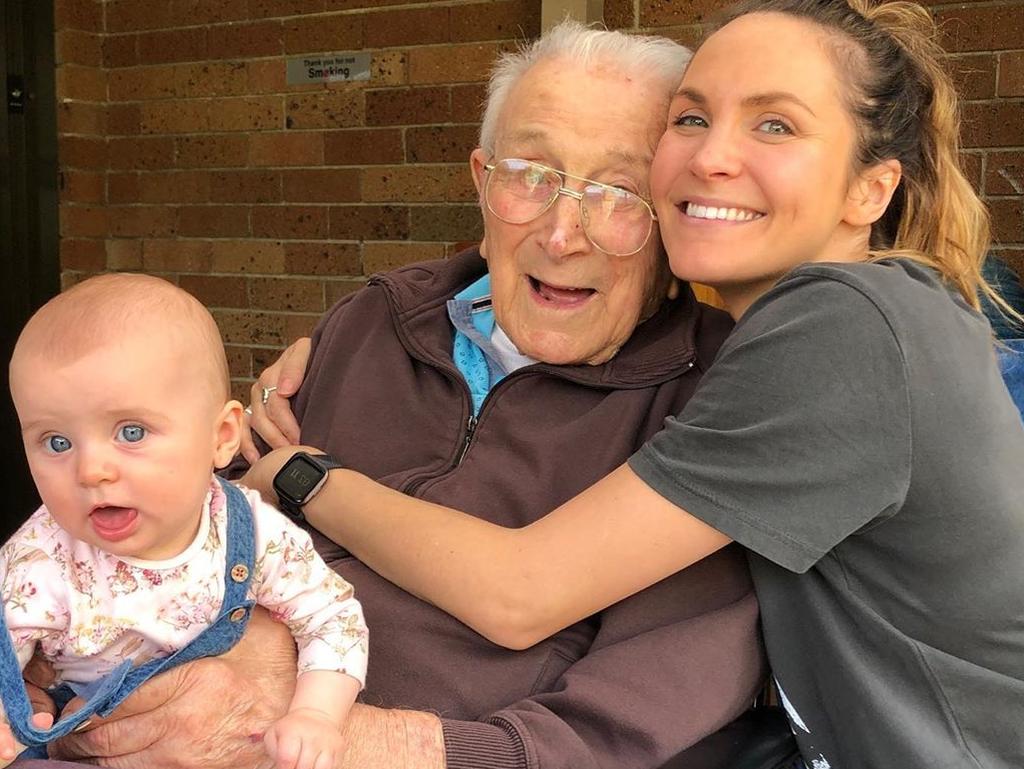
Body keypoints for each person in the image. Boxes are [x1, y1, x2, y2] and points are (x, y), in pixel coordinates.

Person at [239, 1, 1024, 767]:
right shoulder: (377, 319)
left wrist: (300, 475)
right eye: (692, 118)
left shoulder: (828, 334)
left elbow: (524, 592)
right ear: (482, 184)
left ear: (871, 189)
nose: (714, 156)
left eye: (775, 124)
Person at [23, 21, 767, 769]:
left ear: (671, 211)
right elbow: (183, 522)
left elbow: (635, 722)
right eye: (530, 175)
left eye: (617, 193)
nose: (563, 233)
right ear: (481, 180)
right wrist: (51, 652)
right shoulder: (375, 322)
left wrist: (351, 739)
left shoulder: (715, 394)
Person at [1, 274, 368, 769]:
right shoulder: (40, 557)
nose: (92, 471)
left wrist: (315, 715)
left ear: (220, 437)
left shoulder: (254, 535)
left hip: (228, 742)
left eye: (131, 432)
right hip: (84, 741)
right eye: (57, 442)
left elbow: (333, 619)